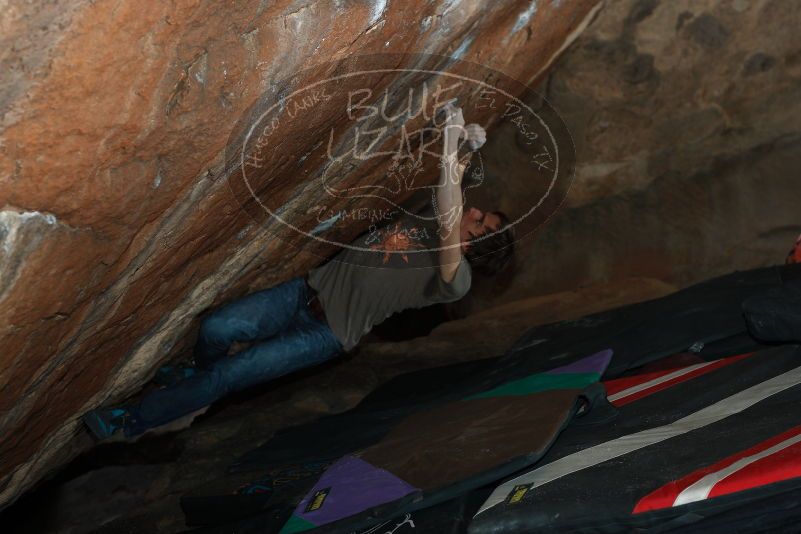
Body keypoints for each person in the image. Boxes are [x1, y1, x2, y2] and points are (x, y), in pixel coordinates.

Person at [83, 105, 516, 440]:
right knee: (217, 328)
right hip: (303, 290)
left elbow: (450, 207)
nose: (475, 211)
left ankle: (131, 422)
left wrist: (455, 136)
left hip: (325, 335)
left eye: (481, 223)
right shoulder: (433, 219)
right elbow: (447, 184)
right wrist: (464, 144)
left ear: (474, 245)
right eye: (479, 212)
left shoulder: (455, 279)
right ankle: (191, 385)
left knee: (231, 375)